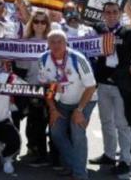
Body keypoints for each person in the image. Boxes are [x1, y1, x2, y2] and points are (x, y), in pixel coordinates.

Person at [39, 30, 97, 180]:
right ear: (48, 44)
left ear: (66, 43)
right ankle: (73, 164)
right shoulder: (43, 59)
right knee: (56, 132)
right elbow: (48, 88)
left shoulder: (78, 59)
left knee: (77, 134)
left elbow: (91, 87)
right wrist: (52, 109)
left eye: (60, 42)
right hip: (62, 102)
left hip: (85, 100)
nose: (56, 45)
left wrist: (79, 110)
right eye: (52, 42)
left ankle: (80, 174)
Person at [88, 1, 131, 177]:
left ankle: (125, 160)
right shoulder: (98, 29)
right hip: (103, 84)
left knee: (122, 124)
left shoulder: (128, 32)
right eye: (108, 12)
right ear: (103, 14)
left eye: (115, 12)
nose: (111, 15)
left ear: (120, 13)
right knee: (106, 121)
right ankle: (109, 154)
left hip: (122, 85)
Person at [18, 10, 54, 168]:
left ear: (47, 25)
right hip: (31, 86)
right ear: (31, 23)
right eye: (36, 21)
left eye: (43, 22)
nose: (39, 25)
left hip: (50, 87)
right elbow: (20, 67)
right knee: (33, 121)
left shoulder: (54, 41)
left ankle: (45, 154)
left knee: (47, 121)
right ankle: (34, 148)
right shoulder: (24, 42)